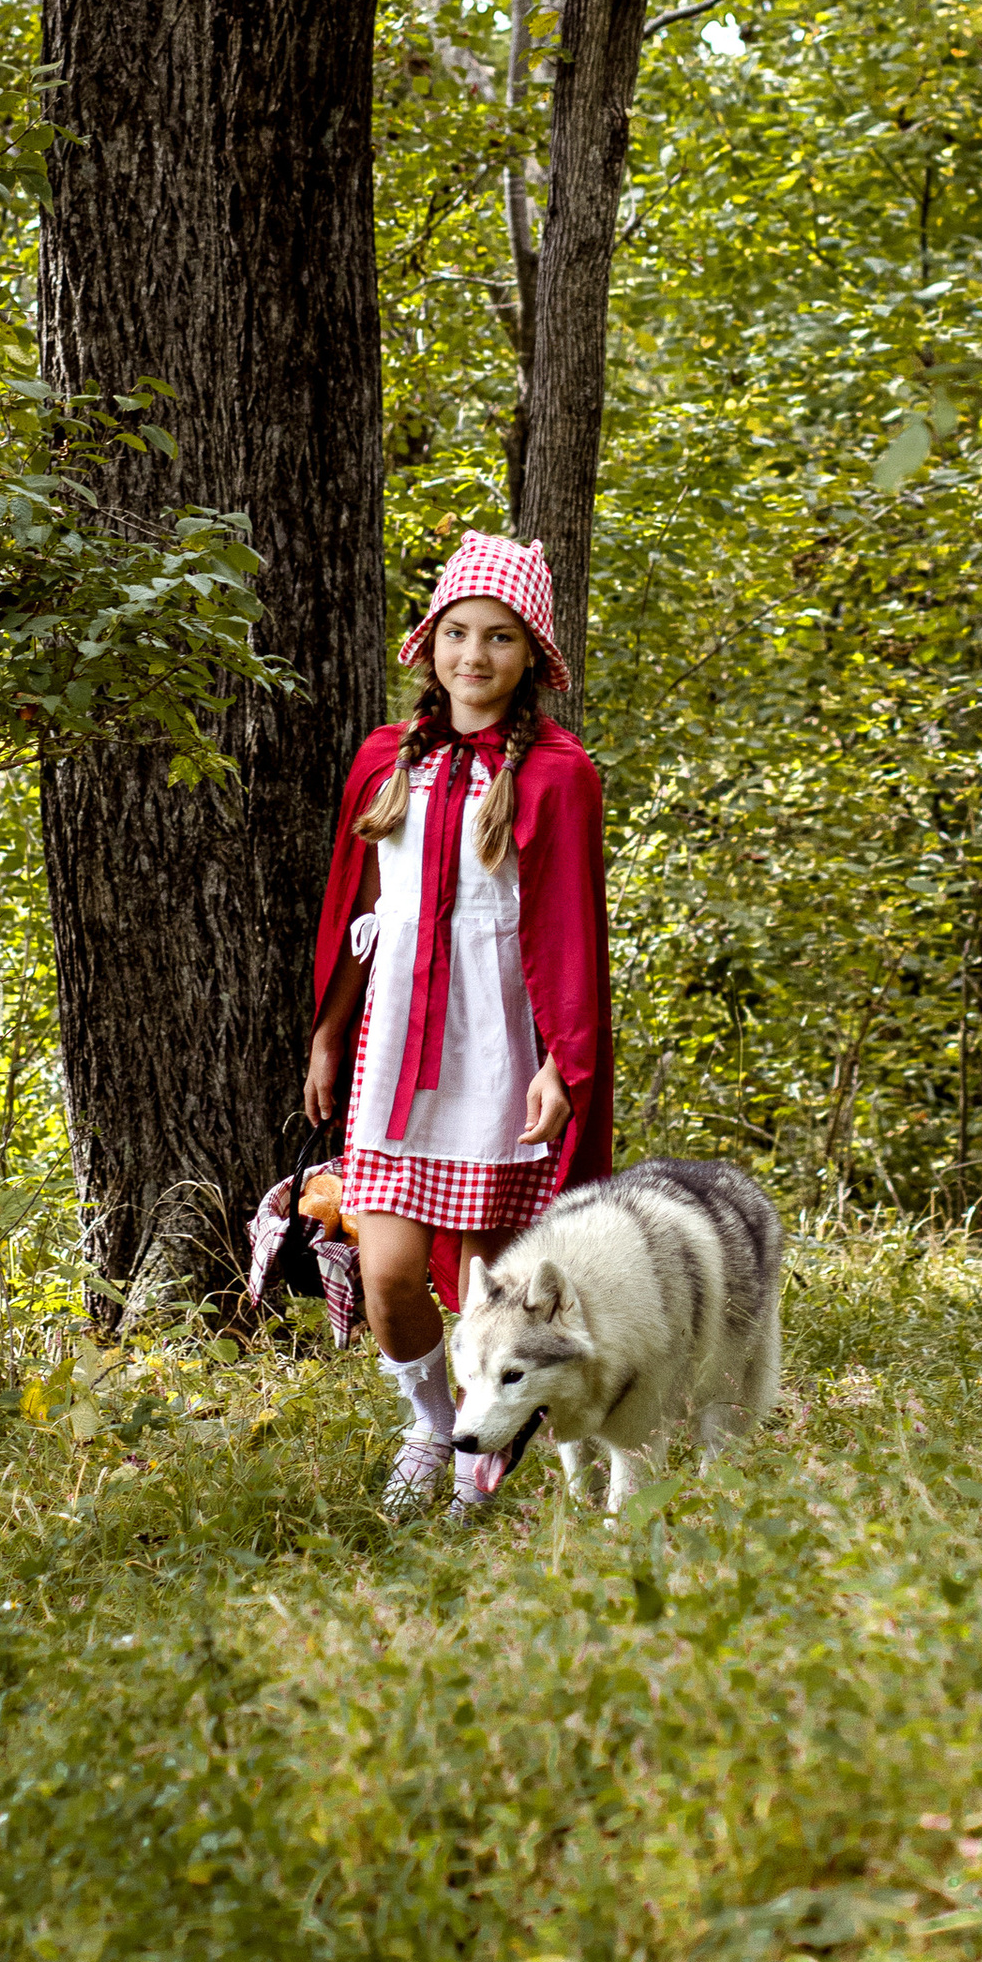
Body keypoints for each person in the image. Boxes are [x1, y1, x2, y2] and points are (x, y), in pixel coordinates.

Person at [306, 533, 614, 1513]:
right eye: (457, 634)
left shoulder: (557, 773)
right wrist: (326, 1033)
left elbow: (566, 926)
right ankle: (429, 1425)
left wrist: (562, 1065)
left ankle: (482, 1457)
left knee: (488, 1290)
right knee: (386, 1268)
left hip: (497, 1051)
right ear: (429, 643)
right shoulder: (387, 760)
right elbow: (358, 910)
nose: (472, 656)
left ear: (531, 658)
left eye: (498, 638)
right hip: (394, 1050)